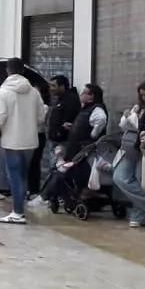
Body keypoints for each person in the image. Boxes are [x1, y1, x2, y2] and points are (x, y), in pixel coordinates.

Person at [0, 59, 45, 224]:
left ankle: (17, 212)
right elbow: (41, 117)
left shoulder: (2, 93)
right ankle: (20, 209)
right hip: (30, 140)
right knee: (22, 175)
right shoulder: (34, 92)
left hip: (12, 141)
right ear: (23, 71)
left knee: (14, 176)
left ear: (7, 71)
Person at [43, 83, 108, 211]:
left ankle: (47, 196)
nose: (81, 95)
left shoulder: (97, 110)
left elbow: (100, 123)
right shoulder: (85, 109)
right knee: (60, 173)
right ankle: (52, 196)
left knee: (62, 174)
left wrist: (92, 134)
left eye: (84, 93)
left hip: (83, 153)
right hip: (75, 151)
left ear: (91, 96)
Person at [113, 81, 145, 228]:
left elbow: (144, 125)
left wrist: (132, 119)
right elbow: (124, 124)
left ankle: (141, 213)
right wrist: (130, 117)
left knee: (141, 182)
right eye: (142, 95)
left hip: (144, 149)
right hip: (130, 146)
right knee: (120, 177)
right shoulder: (139, 107)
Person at [43, 75, 81, 185]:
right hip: (55, 140)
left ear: (62, 86)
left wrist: (60, 131)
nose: (51, 88)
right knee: (54, 168)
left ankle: (52, 196)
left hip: (61, 142)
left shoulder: (70, 100)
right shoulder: (59, 99)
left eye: (54, 86)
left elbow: (68, 123)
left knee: (57, 169)